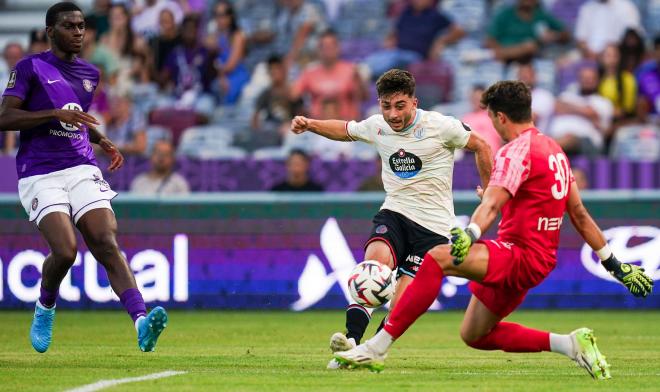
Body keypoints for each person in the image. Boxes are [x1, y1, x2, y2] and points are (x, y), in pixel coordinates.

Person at [333, 80, 653, 378]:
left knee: (436, 258)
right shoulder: (554, 151)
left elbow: (492, 203)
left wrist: (470, 233)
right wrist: (615, 264)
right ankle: (570, 344)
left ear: (500, 117)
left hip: (519, 254)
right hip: (537, 260)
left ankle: (375, 348)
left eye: (491, 118)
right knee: (474, 334)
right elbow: (579, 214)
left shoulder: (516, 151)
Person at [290, 69, 492, 368]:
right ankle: (352, 341)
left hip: (434, 229)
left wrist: (489, 191)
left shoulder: (440, 126)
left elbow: (482, 146)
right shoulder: (377, 126)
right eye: (386, 106)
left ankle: (373, 349)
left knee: (403, 300)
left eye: (400, 106)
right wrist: (310, 124)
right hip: (395, 212)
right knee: (373, 266)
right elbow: (346, 129)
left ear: (414, 102)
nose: (393, 114)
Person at [0, 2, 168, 354]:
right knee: (65, 251)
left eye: (81, 26)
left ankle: (140, 322)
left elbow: (73, 121)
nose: (78, 32)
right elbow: (5, 118)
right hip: (41, 171)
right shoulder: (30, 68)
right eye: (69, 26)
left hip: (80, 165)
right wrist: (50, 113)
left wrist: (102, 140)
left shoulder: (90, 74)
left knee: (105, 239)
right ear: (50, 32)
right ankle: (45, 305)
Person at [364, 0, 464, 78]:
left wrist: (441, 41)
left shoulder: (435, 16)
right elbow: (394, 31)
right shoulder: (406, 12)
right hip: (398, 50)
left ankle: (365, 72)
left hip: (416, 55)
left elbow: (459, 31)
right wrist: (389, 40)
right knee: (380, 54)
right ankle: (362, 69)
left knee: (393, 58)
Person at [292, 29, 367, 121]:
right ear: (319, 49)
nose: (328, 50)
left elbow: (364, 97)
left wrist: (359, 82)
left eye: (331, 46)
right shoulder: (310, 72)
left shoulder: (351, 71)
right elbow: (293, 96)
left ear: (338, 47)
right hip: (317, 126)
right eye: (324, 46)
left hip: (345, 125)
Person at [486, 0, 569, 63]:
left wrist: (554, 36)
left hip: (530, 62)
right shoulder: (505, 14)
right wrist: (507, 52)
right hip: (503, 60)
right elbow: (490, 40)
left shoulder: (542, 15)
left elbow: (566, 35)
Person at [206, 1, 250, 105]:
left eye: (223, 15)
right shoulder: (217, 34)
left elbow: (231, 65)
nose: (219, 19)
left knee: (223, 88)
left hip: (235, 74)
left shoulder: (238, 35)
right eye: (216, 15)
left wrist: (220, 75)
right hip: (221, 74)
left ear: (231, 16)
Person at [575, 0, 641, 60]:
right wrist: (590, 53)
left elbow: (632, 36)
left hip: (620, 56)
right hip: (591, 57)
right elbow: (581, 39)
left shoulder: (626, 6)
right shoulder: (587, 8)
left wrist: (612, 52)